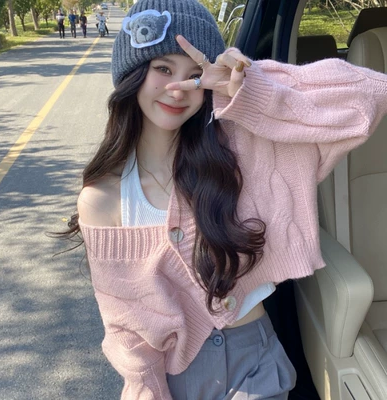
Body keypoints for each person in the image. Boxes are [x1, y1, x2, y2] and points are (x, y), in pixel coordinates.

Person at [63, 0, 387, 399]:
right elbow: (126, 327)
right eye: (163, 68)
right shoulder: (103, 199)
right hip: (177, 376)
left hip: (256, 362)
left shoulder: (241, 151)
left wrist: (253, 87)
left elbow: (369, 95)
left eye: (194, 75)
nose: (178, 88)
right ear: (131, 74)